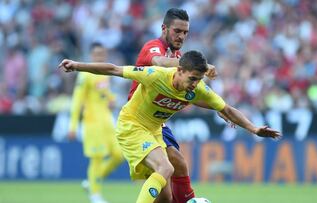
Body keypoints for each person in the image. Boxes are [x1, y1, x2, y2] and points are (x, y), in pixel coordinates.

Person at [59, 50, 281, 203]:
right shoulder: (155, 76)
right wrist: (77, 65)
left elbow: (227, 109)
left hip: (154, 131)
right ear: (180, 70)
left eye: (198, 80)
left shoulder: (197, 89)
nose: (194, 84)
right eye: (192, 78)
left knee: (165, 198)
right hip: (131, 125)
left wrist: (254, 129)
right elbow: (114, 69)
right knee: (167, 168)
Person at [129, 8, 216, 203]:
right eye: (177, 31)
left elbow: (191, 93)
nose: (181, 36)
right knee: (175, 162)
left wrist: (218, 109)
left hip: (157, 121)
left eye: (185, 32)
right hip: (138, 119)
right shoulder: (154, 47)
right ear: (164, 28)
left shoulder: (178, 57)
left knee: (173, 179)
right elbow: (159, 61)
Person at [68, 42, 125, 203]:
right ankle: (95, 194)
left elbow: (104, 93)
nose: (100, 57)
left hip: (107, 121)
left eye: (102, 54)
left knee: (119, 155)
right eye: (97, 54)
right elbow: (77, 101)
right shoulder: (84, 75)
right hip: (92, 122)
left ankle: (91, 182)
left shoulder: (104, 73)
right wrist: (72, 125)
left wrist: (112, 99)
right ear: (91, 56)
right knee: (97, 158)